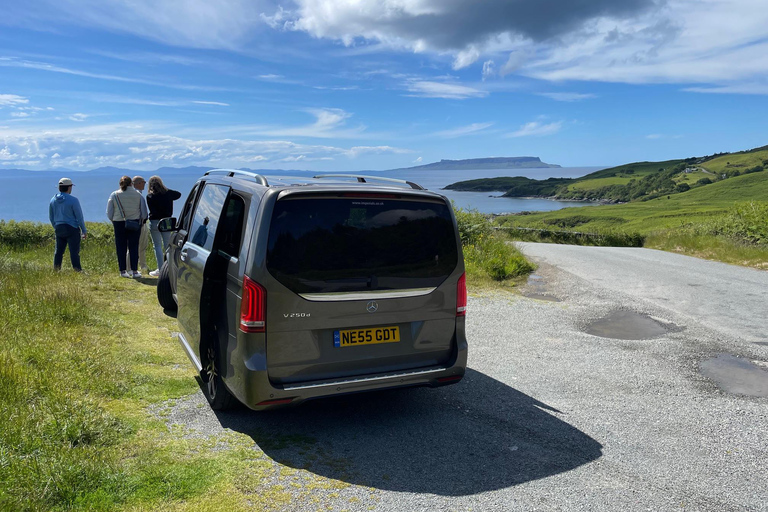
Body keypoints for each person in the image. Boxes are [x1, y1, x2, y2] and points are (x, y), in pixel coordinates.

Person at [106, 175, 148, 278]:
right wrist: (141, 220)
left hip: (118, 222)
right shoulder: (138, 195)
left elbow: (109, 212)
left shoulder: (114, 194)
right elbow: (144, 212)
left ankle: (123, 270)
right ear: (131, 183)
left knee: (121, 246)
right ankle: (134, 270)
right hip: (134, 222)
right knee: (134, 246)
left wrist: (113, 220)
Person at [48, 177, 87, 272]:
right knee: (74, 252)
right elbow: (79, 217)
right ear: (69, 187)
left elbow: (51, 217)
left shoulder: (53, 200)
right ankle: (77, 270)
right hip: (72, 228)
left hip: (59, 228)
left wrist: (55, 226)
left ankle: (56, 270)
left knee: (58, 251)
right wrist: (83, 230)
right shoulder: (73, 200)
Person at [146, 175, 182, 277]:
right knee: (167, 245)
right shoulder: (168, 193)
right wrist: (166, 190)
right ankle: (170, 267)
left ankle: (161, 268)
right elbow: (178, 194)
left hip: (155, 221)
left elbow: (152, 210)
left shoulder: (150, 196)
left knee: (157, 245)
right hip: (166, 221)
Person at [127, 175, 150, 275]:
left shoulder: (128, 194)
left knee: (132, 246)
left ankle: (129, 266)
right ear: (139, 183)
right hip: (140, 223)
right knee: (141, 245)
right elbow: (144, 212)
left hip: (129, 223)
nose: (144, 184)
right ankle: (142, 265)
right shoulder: (139, 195)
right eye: (143, 182)